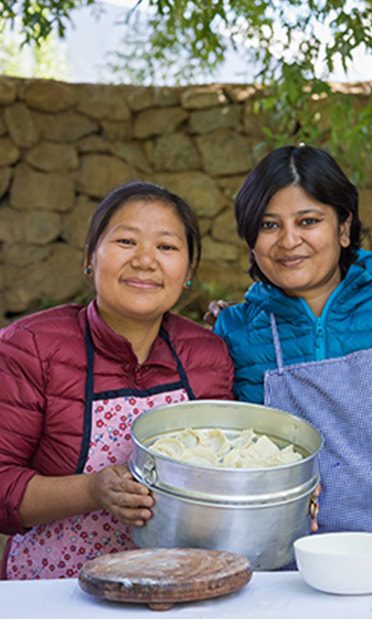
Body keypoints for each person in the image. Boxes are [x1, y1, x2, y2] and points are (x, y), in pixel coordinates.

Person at [213, 145, 372, 568]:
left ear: (344, 227)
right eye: (269, 225)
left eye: (308, 221)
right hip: (293, 573)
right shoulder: (235, 332)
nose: (289, 241)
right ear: (251, 240)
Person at [0, 181, 234, 580]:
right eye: (126, 241)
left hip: (175, 587)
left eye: (166, 247)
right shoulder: (30, 347)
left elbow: (226, 477)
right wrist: (92, 491)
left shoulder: (208, 356)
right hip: (53, 592)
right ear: (91, 257)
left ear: (189, 270)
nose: (145, 261)